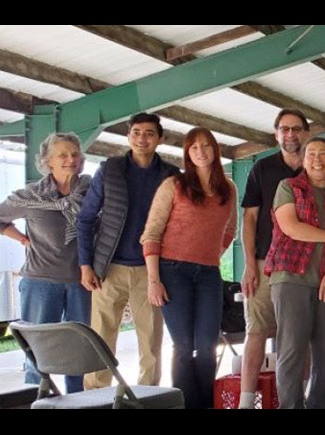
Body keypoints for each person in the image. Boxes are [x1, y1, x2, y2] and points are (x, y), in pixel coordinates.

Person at [77, 113, 180, 389]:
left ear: (161, 139)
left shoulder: (171, 175)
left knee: (151, 343)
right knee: (101, 338)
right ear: (128, 136)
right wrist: (86, 264)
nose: (141, 138)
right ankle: (94, 398)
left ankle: (147, 397)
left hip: (152, 271)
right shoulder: (110, 169)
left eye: (148, 133)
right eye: (136, 132)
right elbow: (86, 218)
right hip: (108, 269)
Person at [140, 127, 237, 409]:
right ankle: (185, 404)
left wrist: (208, 253)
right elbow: (151, 234)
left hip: (208, 273)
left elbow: (230, 229)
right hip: (172, 271)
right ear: (187, 153)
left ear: (215, 150)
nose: (201, 151)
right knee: (183, 347)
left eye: (206, 146)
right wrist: (154, 280)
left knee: (208, 346)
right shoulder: (174, 185)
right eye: (194, 147)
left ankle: (206, 403)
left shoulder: (228, 188)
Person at [0, 132, 91, 393]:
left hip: (82, 283)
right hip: (40, 282)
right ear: (48, 161)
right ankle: (35, 398)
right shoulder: (32, 195)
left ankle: (78, 400)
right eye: (62, 155)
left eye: (74, 154)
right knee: (37, 352)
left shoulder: (92, 191)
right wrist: (24, 240)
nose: (70, 159)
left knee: (79, 351)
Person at [266, 137, 325, 409]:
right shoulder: (289, 187)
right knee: (292, 351)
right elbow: (290, 227)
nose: (317, 158)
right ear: (303, 160)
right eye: (311, 153)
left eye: (323, 153)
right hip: (291, 278)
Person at [238, 109, 307, 407]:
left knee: (300, 337)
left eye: (296, 129)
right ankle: (245, 400)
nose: (290, 134)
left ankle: (295, 398)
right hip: (266, 263)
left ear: (305, 132)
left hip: (305, 267)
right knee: (256, 332)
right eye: (284, 129)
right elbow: (249, 219)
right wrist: (249, 263)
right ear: (276, 134)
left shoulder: (318, 166)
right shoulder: (261, 169)